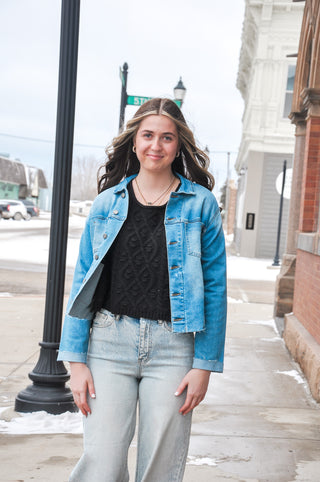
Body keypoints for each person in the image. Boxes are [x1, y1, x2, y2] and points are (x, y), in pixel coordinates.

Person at [58, 97, 227, 482]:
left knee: (160, 467)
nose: (156, 145)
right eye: (148, 135)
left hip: (174, 348)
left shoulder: (200, 205)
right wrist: (76, 360)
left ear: (178, 145)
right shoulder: (106, 204)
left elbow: (215, 286)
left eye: (167, 137)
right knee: (100, 463)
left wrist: (204, 364)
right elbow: (82, 281)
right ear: (134, 141)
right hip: (107, 343)